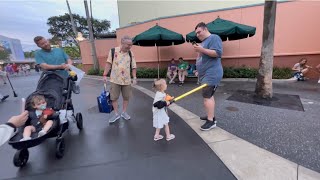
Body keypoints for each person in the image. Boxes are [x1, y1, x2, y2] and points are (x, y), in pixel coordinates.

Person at [193, 22, 223, 131]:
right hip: (205, 74)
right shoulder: (204, 42)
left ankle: (211, 122)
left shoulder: (214, 38)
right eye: (196, 33)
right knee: (209, 96)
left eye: (199, 32)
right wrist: (197, 69)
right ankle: (211, 116)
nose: (197, 35)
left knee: (207, 97)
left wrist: (201, 50)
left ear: (205, 29)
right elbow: (202, 58)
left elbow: (218, 53)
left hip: (212, 74)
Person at [103, 35, 137, 123]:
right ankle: (116, 114)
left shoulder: (130, 53)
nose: (130, 46)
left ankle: (124, 112)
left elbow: (133, 66)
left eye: (131, 44)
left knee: (126, 97)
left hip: (126, 80)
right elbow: (108, 63)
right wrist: (104, 75)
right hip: (115, 79)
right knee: (114, 97)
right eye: (128, 44)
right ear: (122, 43)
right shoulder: (113, 51)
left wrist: (134, 77)